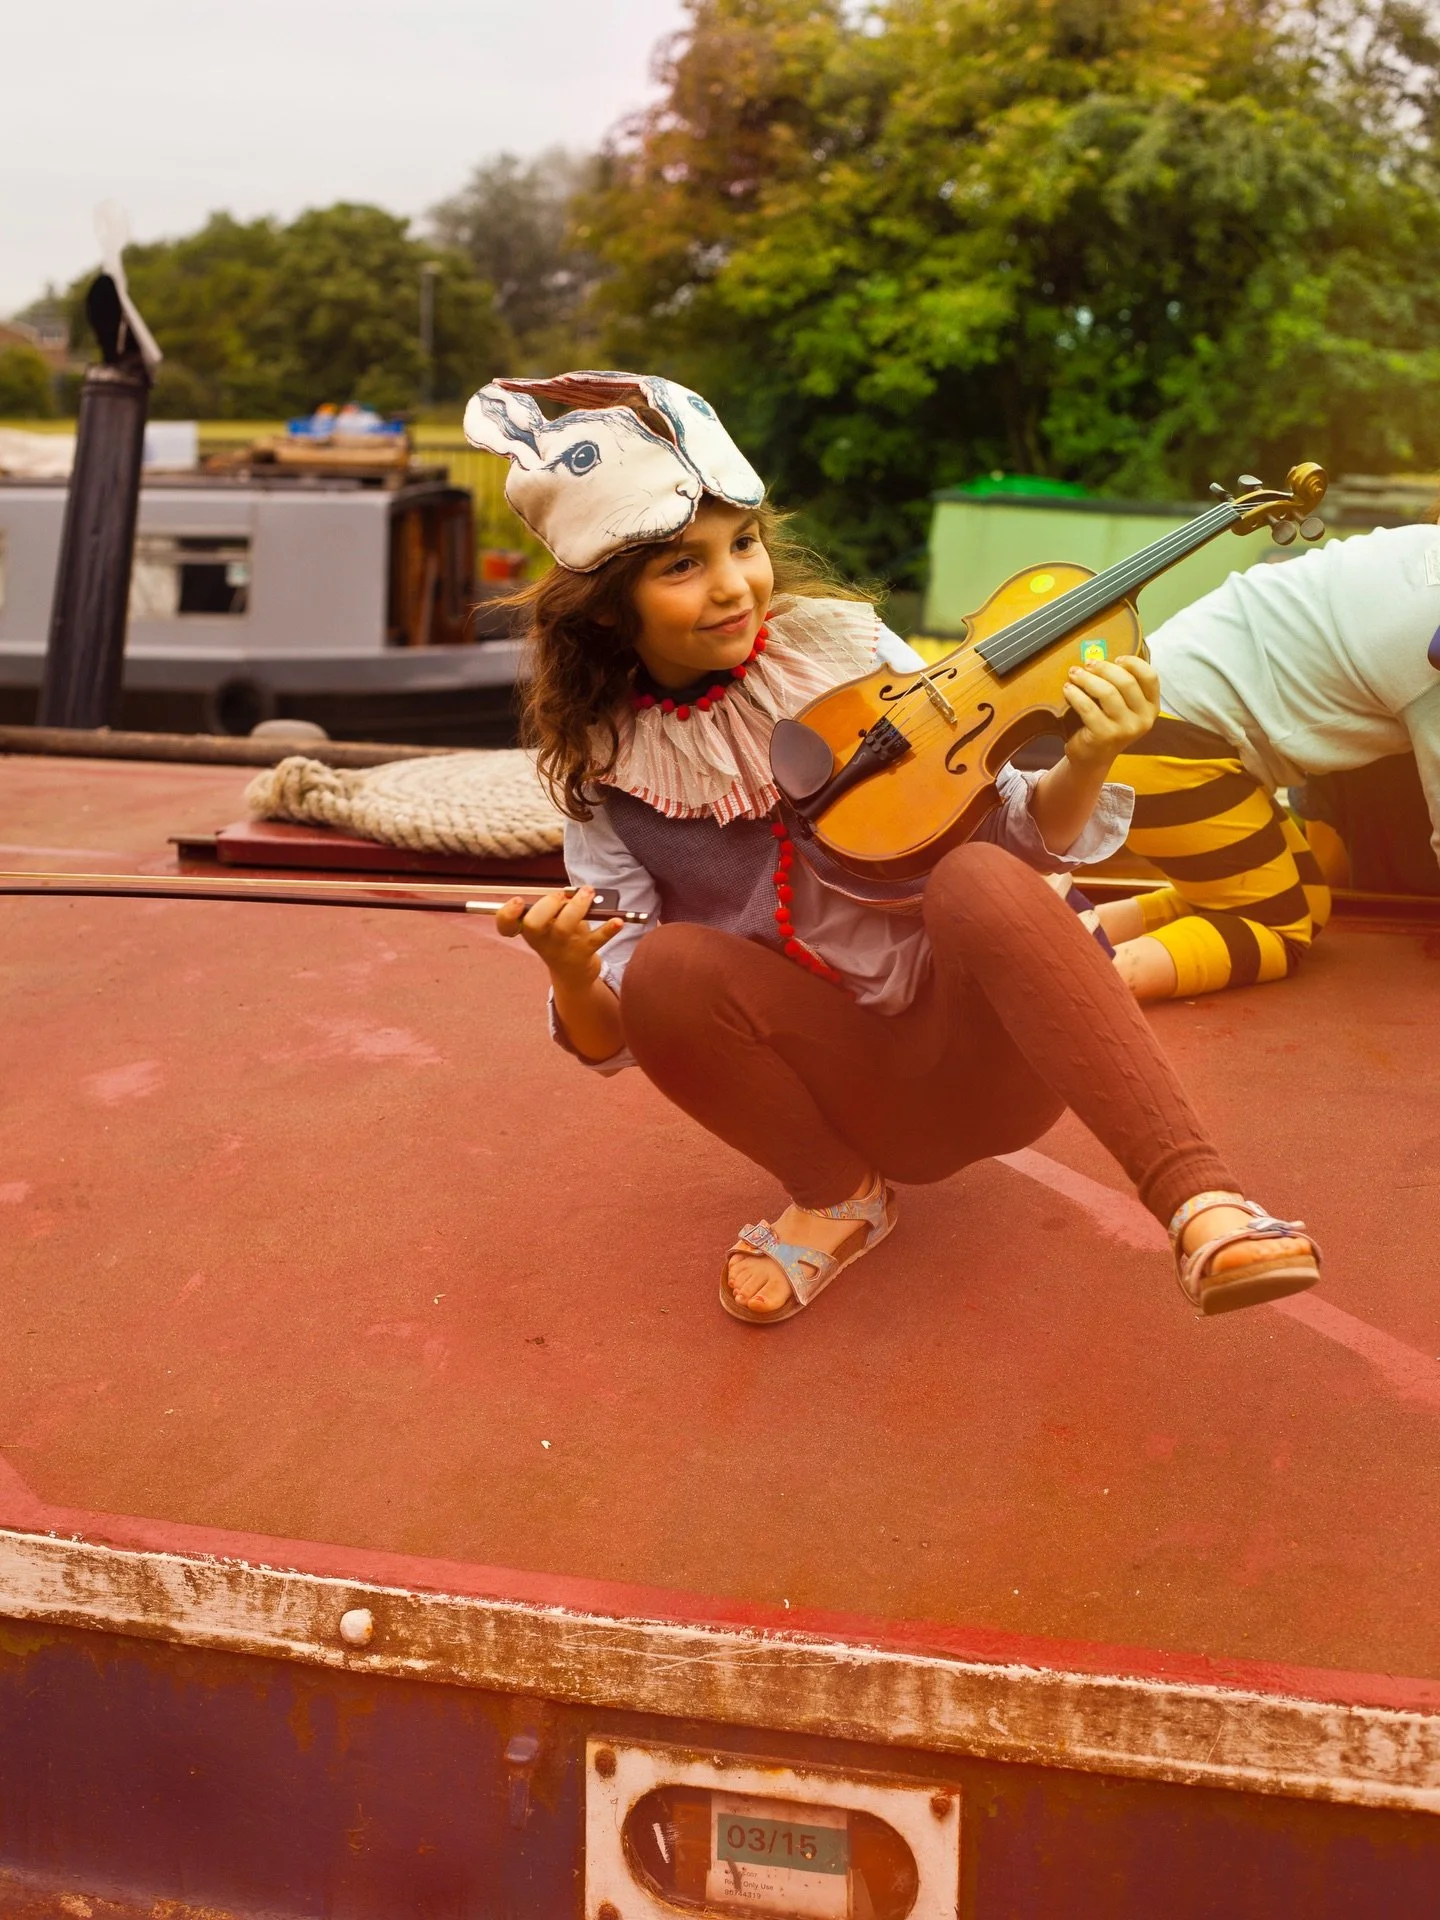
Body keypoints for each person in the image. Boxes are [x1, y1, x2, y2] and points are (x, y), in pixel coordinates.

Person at [468, 370, 1319, 1321]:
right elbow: (621, 1031)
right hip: (843, 1088)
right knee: (664, 966)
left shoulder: (850, 649)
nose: (734, 585)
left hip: (983, 1056)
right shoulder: (603, 765)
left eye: (743, 544)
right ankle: (840, 1197)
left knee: (979, 874)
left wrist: (1090, 754)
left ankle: (1203, 1202)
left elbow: (1024, 831)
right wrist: (574, 971)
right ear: (600, 610)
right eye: (681, 566)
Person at [1098, 522, 1440, 999]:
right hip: (1170, 740)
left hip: (1161, 716)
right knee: (1277, 930)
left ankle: (1082, 930)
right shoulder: (1432, 645)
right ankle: (1081, 983)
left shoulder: (1424, 548)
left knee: (1306, 899)